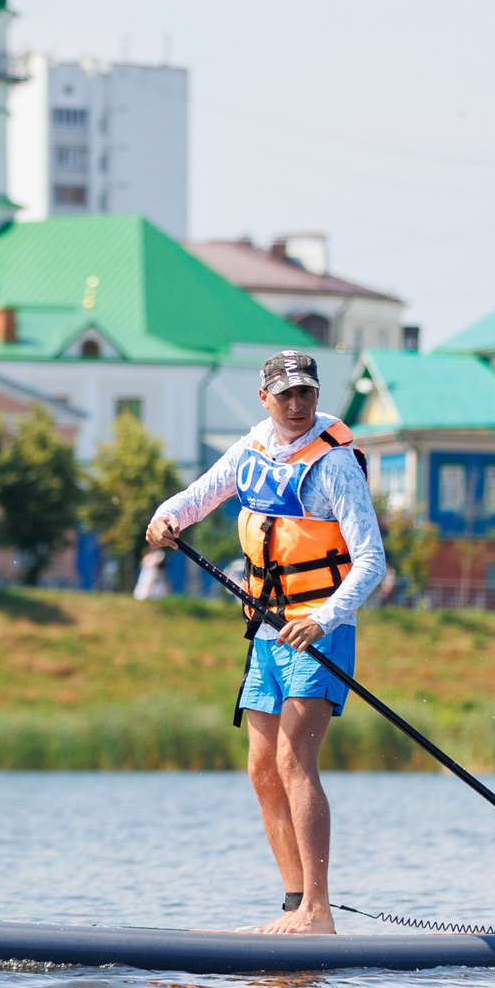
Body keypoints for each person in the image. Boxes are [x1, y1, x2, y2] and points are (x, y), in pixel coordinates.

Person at [146, 350, 383, 936]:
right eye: (285, 396)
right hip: (267, 635)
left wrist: (324, 619)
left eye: (306, 393)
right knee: (260, 767)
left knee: (293, 758)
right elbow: (195, 499)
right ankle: (295, 905)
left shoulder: (334, 466)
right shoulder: (250, 452)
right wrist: (163, 519)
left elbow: (372, 561)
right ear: (265, 399)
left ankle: (320, 914)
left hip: (319, 633)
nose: (297, 405)